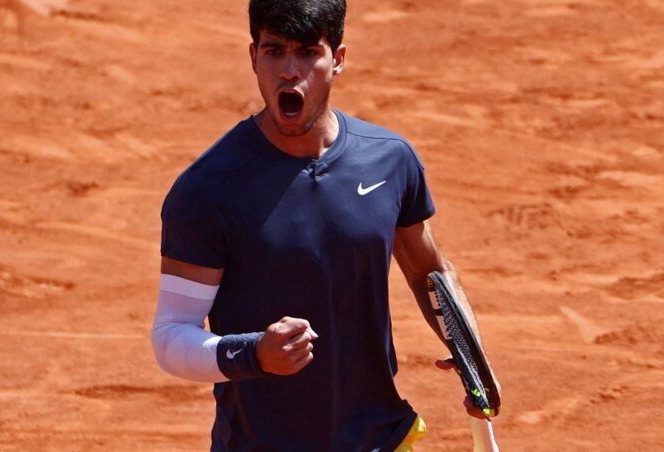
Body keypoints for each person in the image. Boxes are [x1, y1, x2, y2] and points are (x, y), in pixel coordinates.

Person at [151, 1, 498, 450]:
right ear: (253, 57)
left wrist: (471, 354)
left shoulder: (389, 161)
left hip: (380, 437)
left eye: (309, 52)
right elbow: (171, 337)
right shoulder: (208, 190)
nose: (289, 72)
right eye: (274, 51)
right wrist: (253, 352)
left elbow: (428, 271)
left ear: (338, 59)